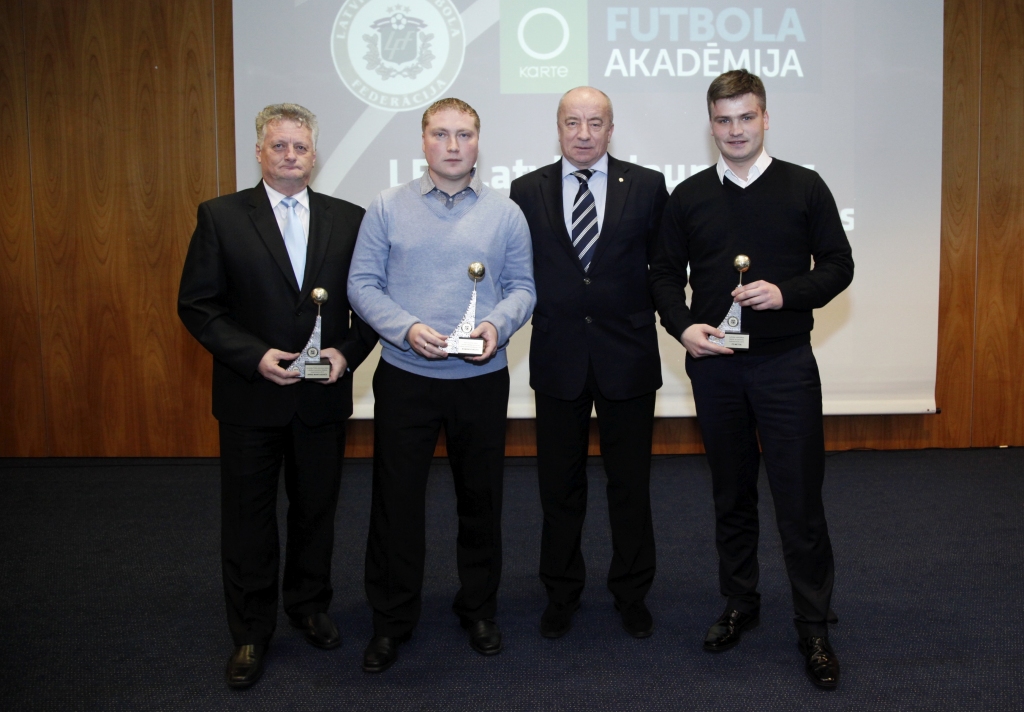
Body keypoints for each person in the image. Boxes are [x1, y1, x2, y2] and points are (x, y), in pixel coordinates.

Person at [650, 70, 853, 690]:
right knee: (730, 494)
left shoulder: (804, 186)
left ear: (765, 118)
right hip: (715, 368)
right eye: (722, 120)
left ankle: (813, 624)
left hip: (785, 365)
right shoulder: (686, 196)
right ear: (710, 124)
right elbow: (661, 276)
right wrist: (683, 328)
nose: (734, 130)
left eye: (745, 117)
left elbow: (840, 267)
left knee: (799, 499)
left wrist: (787, 292)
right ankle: (740, 602)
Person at [178, 103, 376, 689]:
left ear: (316, 154)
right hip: (250, 395)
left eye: (301, 147)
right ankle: (250, 630)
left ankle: (309, 606)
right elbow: (199, 306)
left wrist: (346, 351)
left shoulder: (350, 218)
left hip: (321, 396)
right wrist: (252, 356)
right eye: (279, 146)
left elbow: (369, 301)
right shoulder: (220, 217)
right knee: (248, 519)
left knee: (316, 509)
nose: (290, 156)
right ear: (260, 152)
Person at [347, 97, 535, 673]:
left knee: (481, 500)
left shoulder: (507, 213)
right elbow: (361, 283)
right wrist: (406, 329)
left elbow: (524, 288)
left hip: (480, 378)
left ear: (479, 142)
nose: (453, 146)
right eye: (441, 134)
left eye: (465, 135)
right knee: (395, 506)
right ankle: (391, 620)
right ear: (423, 141)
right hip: (407, 377)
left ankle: (478, 608)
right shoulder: (385, 206)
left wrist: (495, 325)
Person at [508, 87, 668, 639]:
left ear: (610, 128)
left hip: (627, 357)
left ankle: (631, 592)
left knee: (630, 484)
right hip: (558, 357)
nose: (583, 133)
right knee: (560, 485)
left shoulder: (647, 186)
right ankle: (561, 591)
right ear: (558, 128)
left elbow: (662, 269)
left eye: (594, 122)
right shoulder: (525, 190)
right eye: (572, 122)